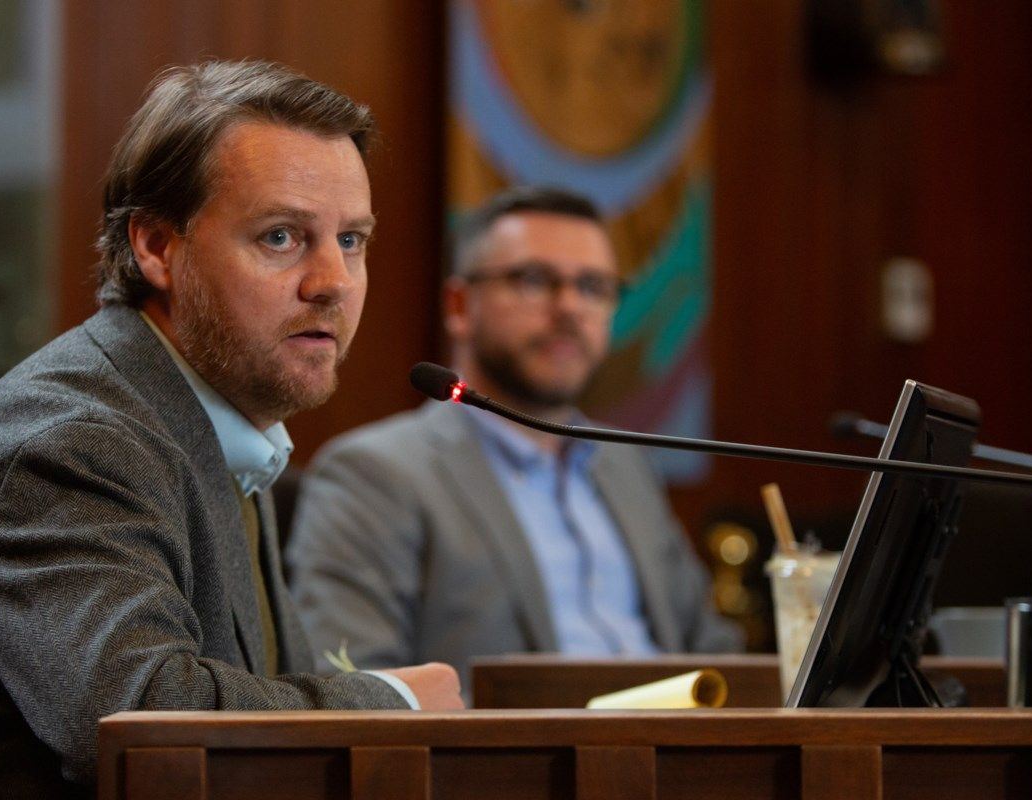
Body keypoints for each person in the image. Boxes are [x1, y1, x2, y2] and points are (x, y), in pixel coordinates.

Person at [0, 60, 461, 800]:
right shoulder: (74, 441)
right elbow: (143, 717)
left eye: (352, 240)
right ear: (156, 247)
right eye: (281, 237)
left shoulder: (213, 421)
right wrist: (392, 702)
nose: (332, 281)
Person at [286, 186, 742, 695]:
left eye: (593, 286)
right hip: (515, 746)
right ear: (460, 305)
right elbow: (354, 687)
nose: (569, 307)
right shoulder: (374, 474)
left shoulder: (625, 463)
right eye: (534, 280)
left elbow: (714, 651)